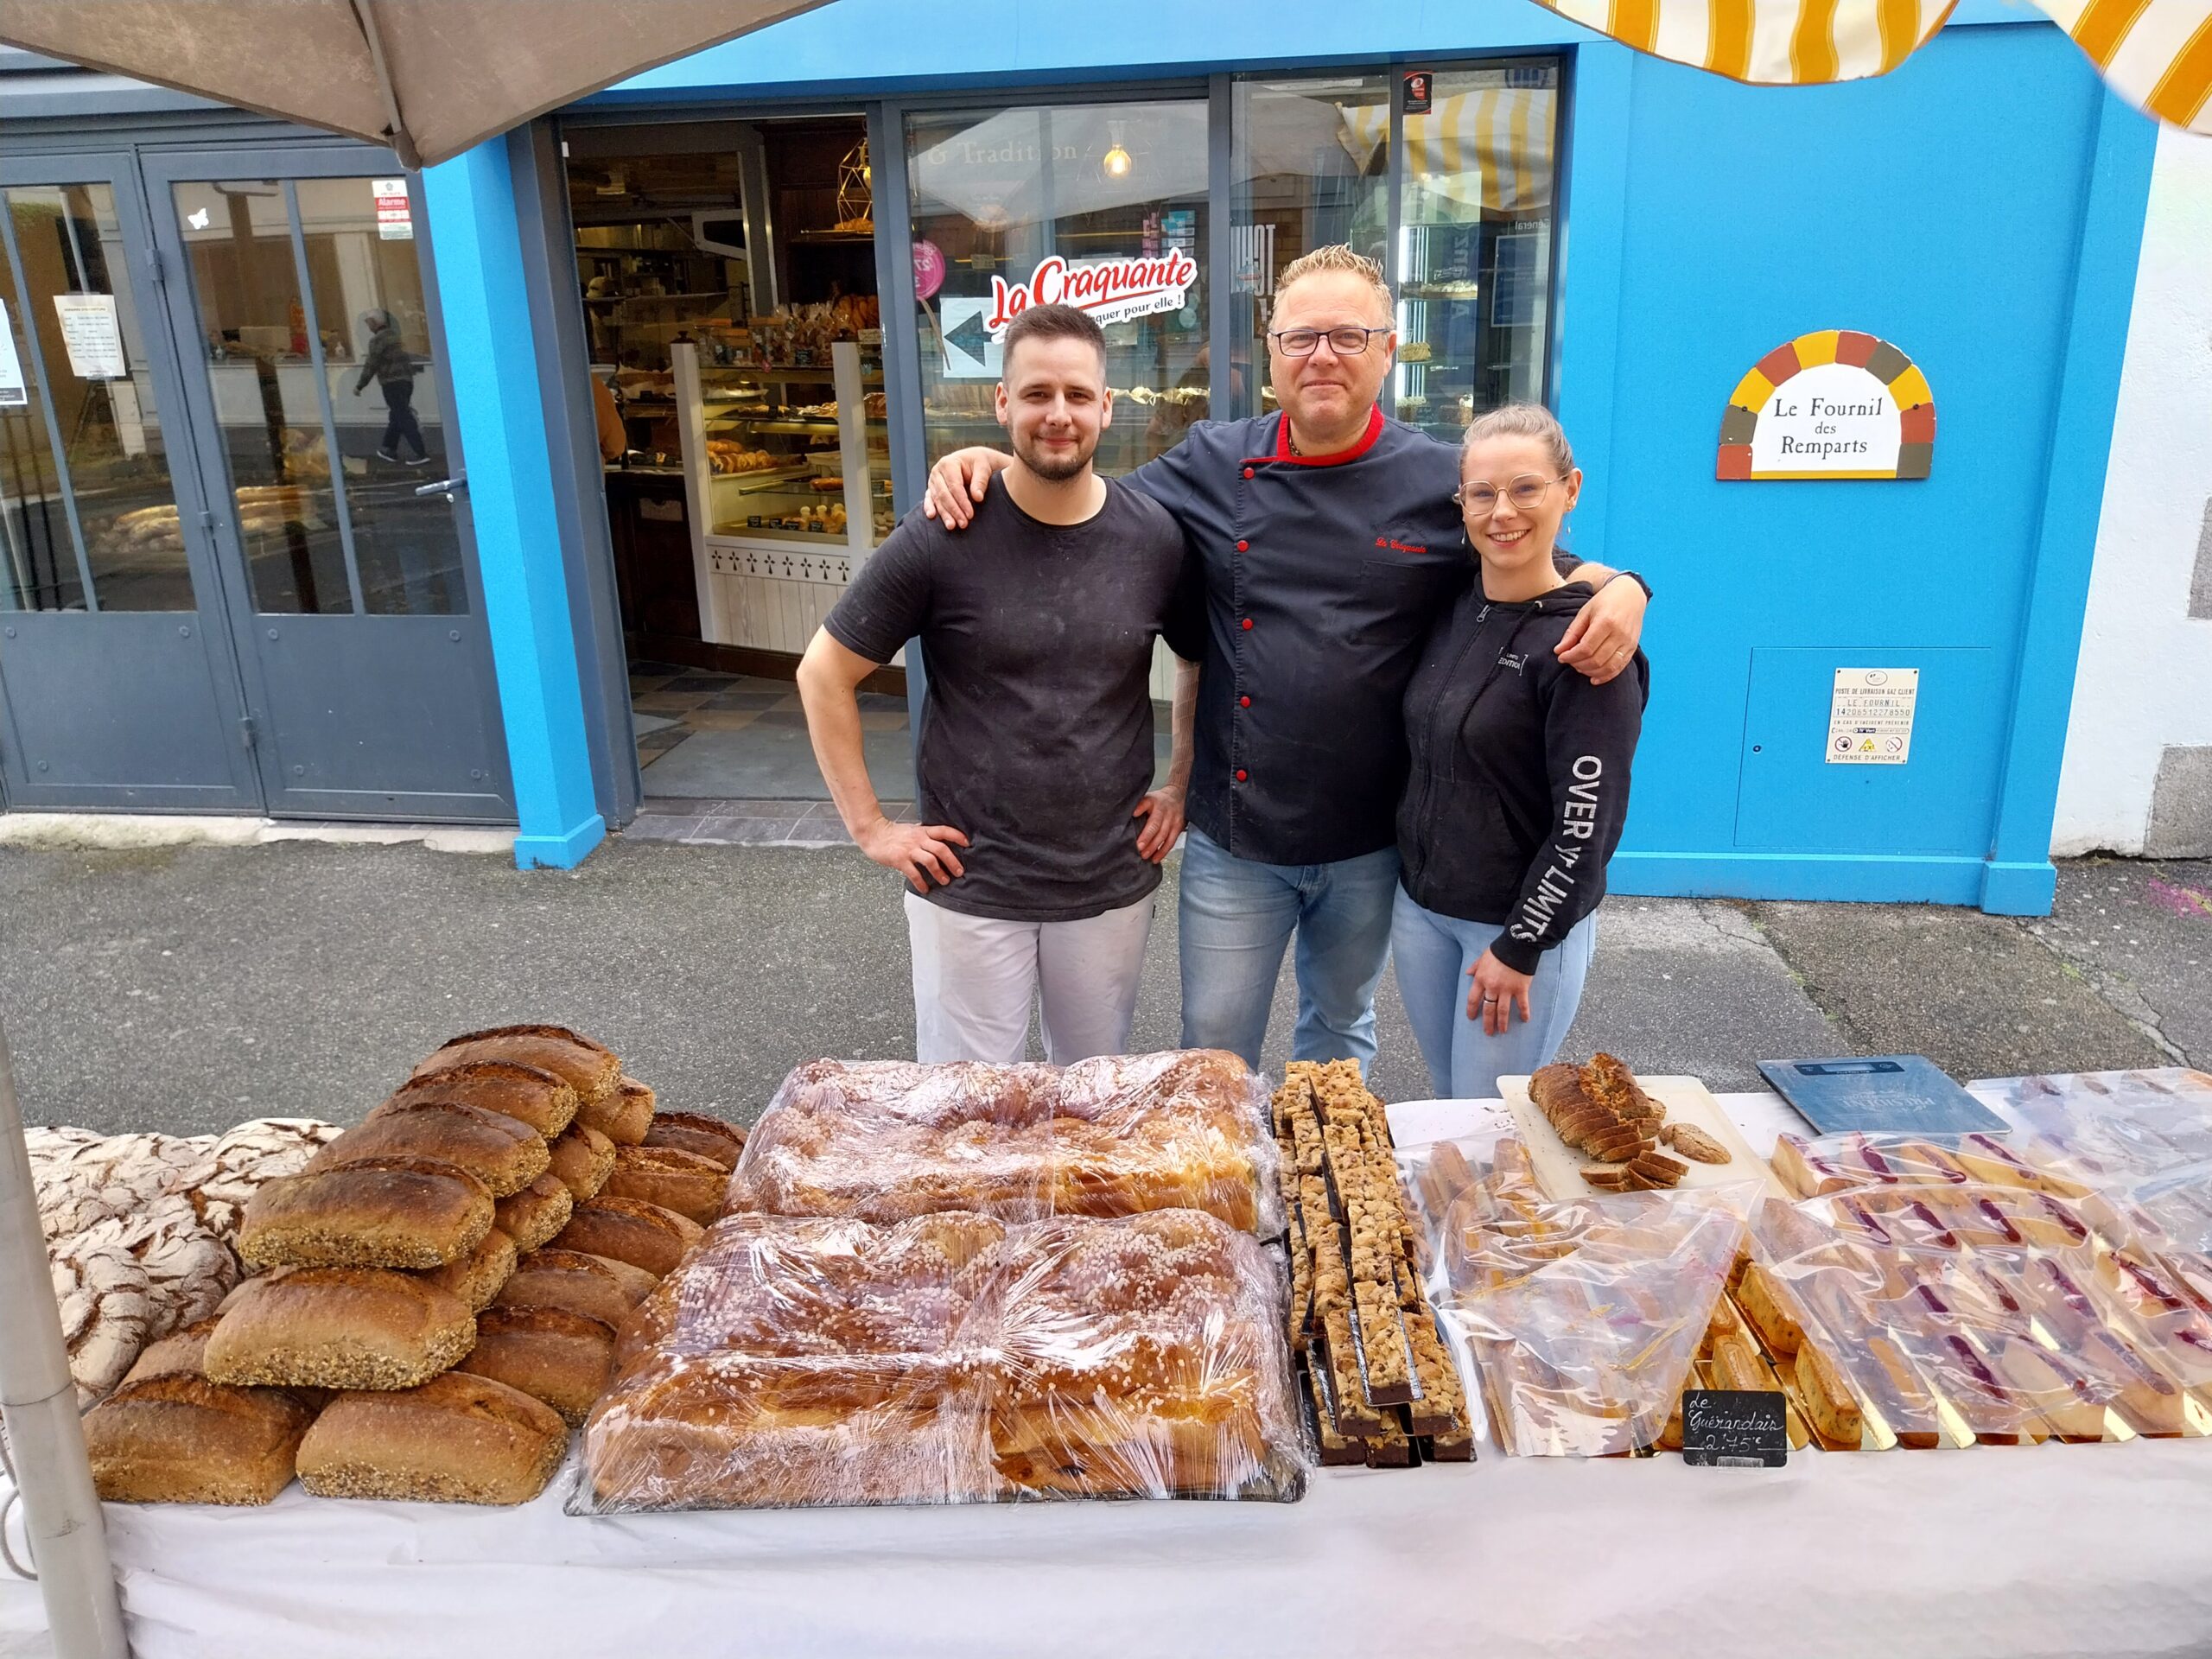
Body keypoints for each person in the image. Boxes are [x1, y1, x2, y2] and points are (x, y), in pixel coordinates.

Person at [925, 246, 1649, 1076]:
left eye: (1349, 336)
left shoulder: (1437, 480)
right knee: (1214, 1049)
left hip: (1372, 842)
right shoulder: (1213, 460)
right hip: (1238, 840)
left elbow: (1527, 549)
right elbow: (1090, 504)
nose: (1323, 357)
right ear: (1270, 354)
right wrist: (989, 462)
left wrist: (1626, 585)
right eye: (1301, 337)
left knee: (1339, 1037)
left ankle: (1324, 1190)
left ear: (1387, 349)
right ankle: (1225, 1199)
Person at [796, 302, 1200, 1065]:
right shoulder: (942, 533)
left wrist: (1180, 783)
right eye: (1037, 393)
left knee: (1089, 1103)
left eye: (1078, 395)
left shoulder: (1154, 538)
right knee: (966, 1116)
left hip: (1107, 882)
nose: (1059, 414)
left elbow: (1198, 656)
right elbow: (823, 673)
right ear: (1001, 403)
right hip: (970, 884)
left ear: (1107, 408)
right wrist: (871, 830)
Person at [1392, 404, 1647, 1100]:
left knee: (1491, 1125)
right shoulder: (1455, 602)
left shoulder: (1588, 648)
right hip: (1423, 909)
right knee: (1451, 1103)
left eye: (1526, 488)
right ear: (1463, 506)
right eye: (1483, 493)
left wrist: (1523, 943)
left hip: (1512, 932)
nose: (1503, 512)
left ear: (1571, 490)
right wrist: (1624, 580)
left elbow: (1587, 824)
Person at [351, 308, 428, 465]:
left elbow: (371, 365)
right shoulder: (395, 337)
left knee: (403, 416)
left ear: (374, 323)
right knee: (397, 414)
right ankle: (388, 449)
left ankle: (420, 453)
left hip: (391, 382)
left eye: (368, 323)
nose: (368, 327)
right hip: (406, 381)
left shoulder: (377, 341)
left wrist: (360, 386)